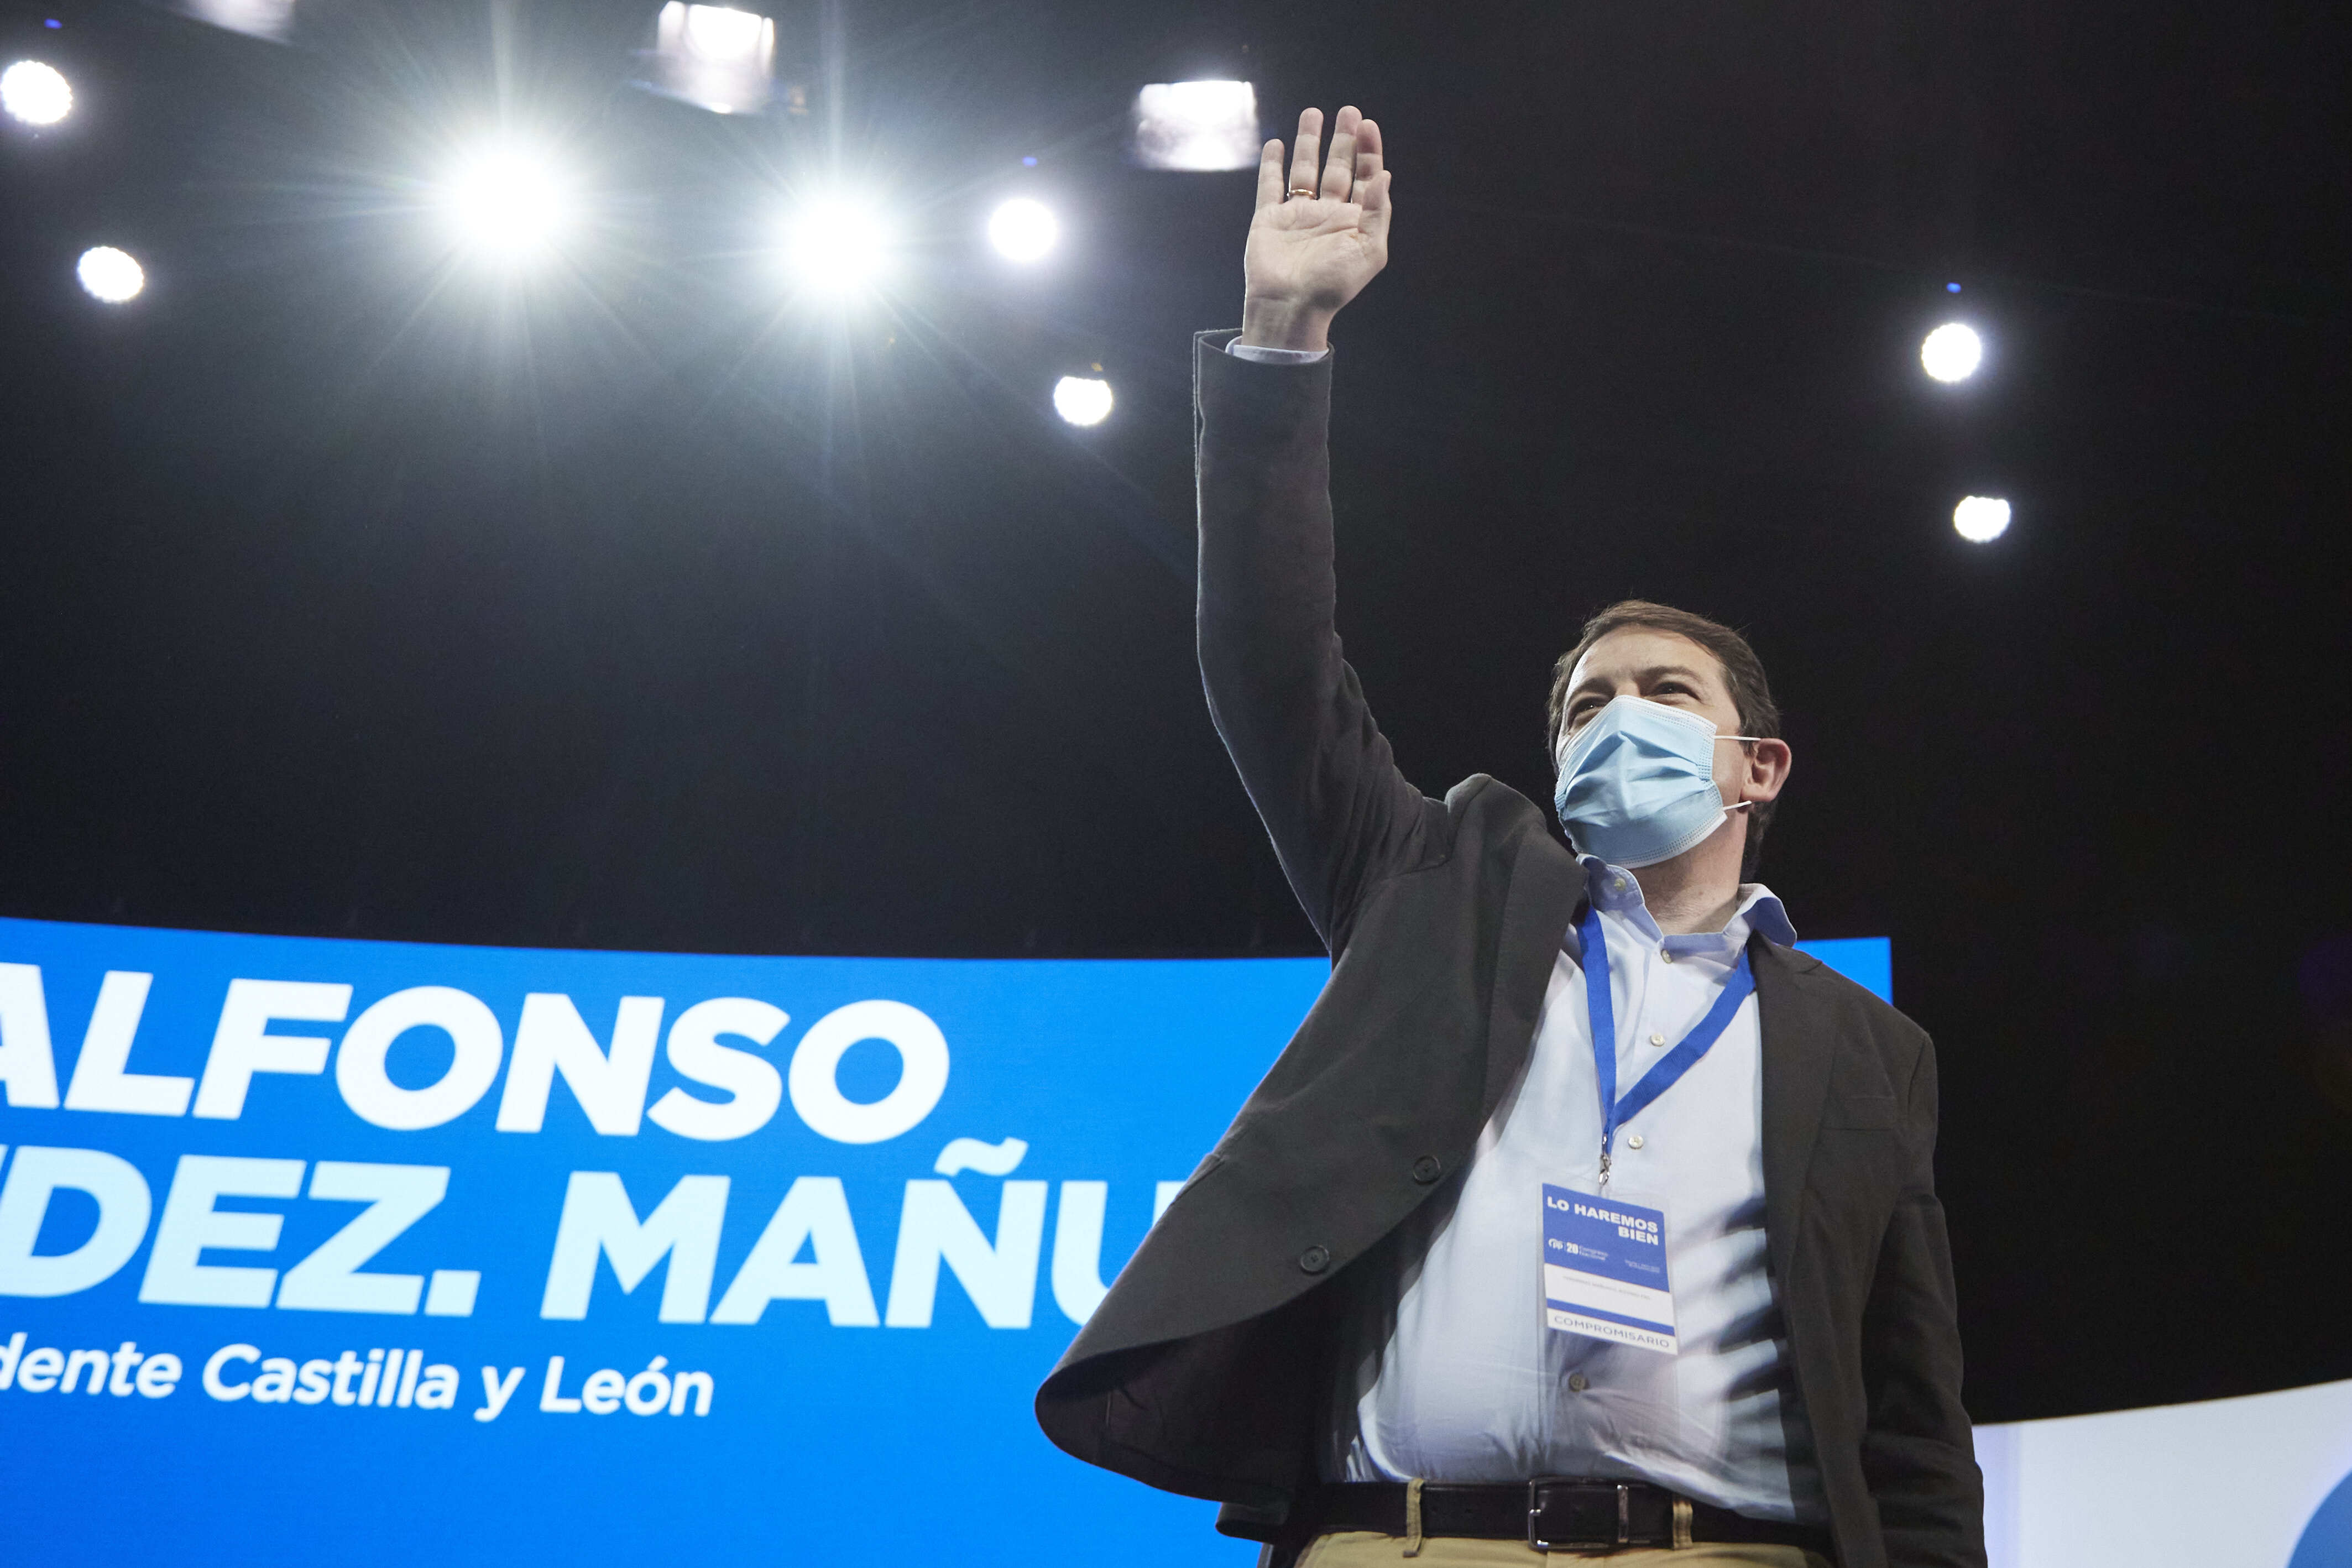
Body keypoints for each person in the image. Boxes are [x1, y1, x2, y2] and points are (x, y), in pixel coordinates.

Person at [1036, 106, 1983, 1568]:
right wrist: (1283, 344)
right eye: (1587, 703)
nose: (1619, 719)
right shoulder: (1438, 882)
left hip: (1734, 1552)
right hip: (1407, 1541)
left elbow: (1913, 1422)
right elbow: (1272, 672)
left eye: (1667, 694)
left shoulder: (1872, 1050)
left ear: (1760, 762)